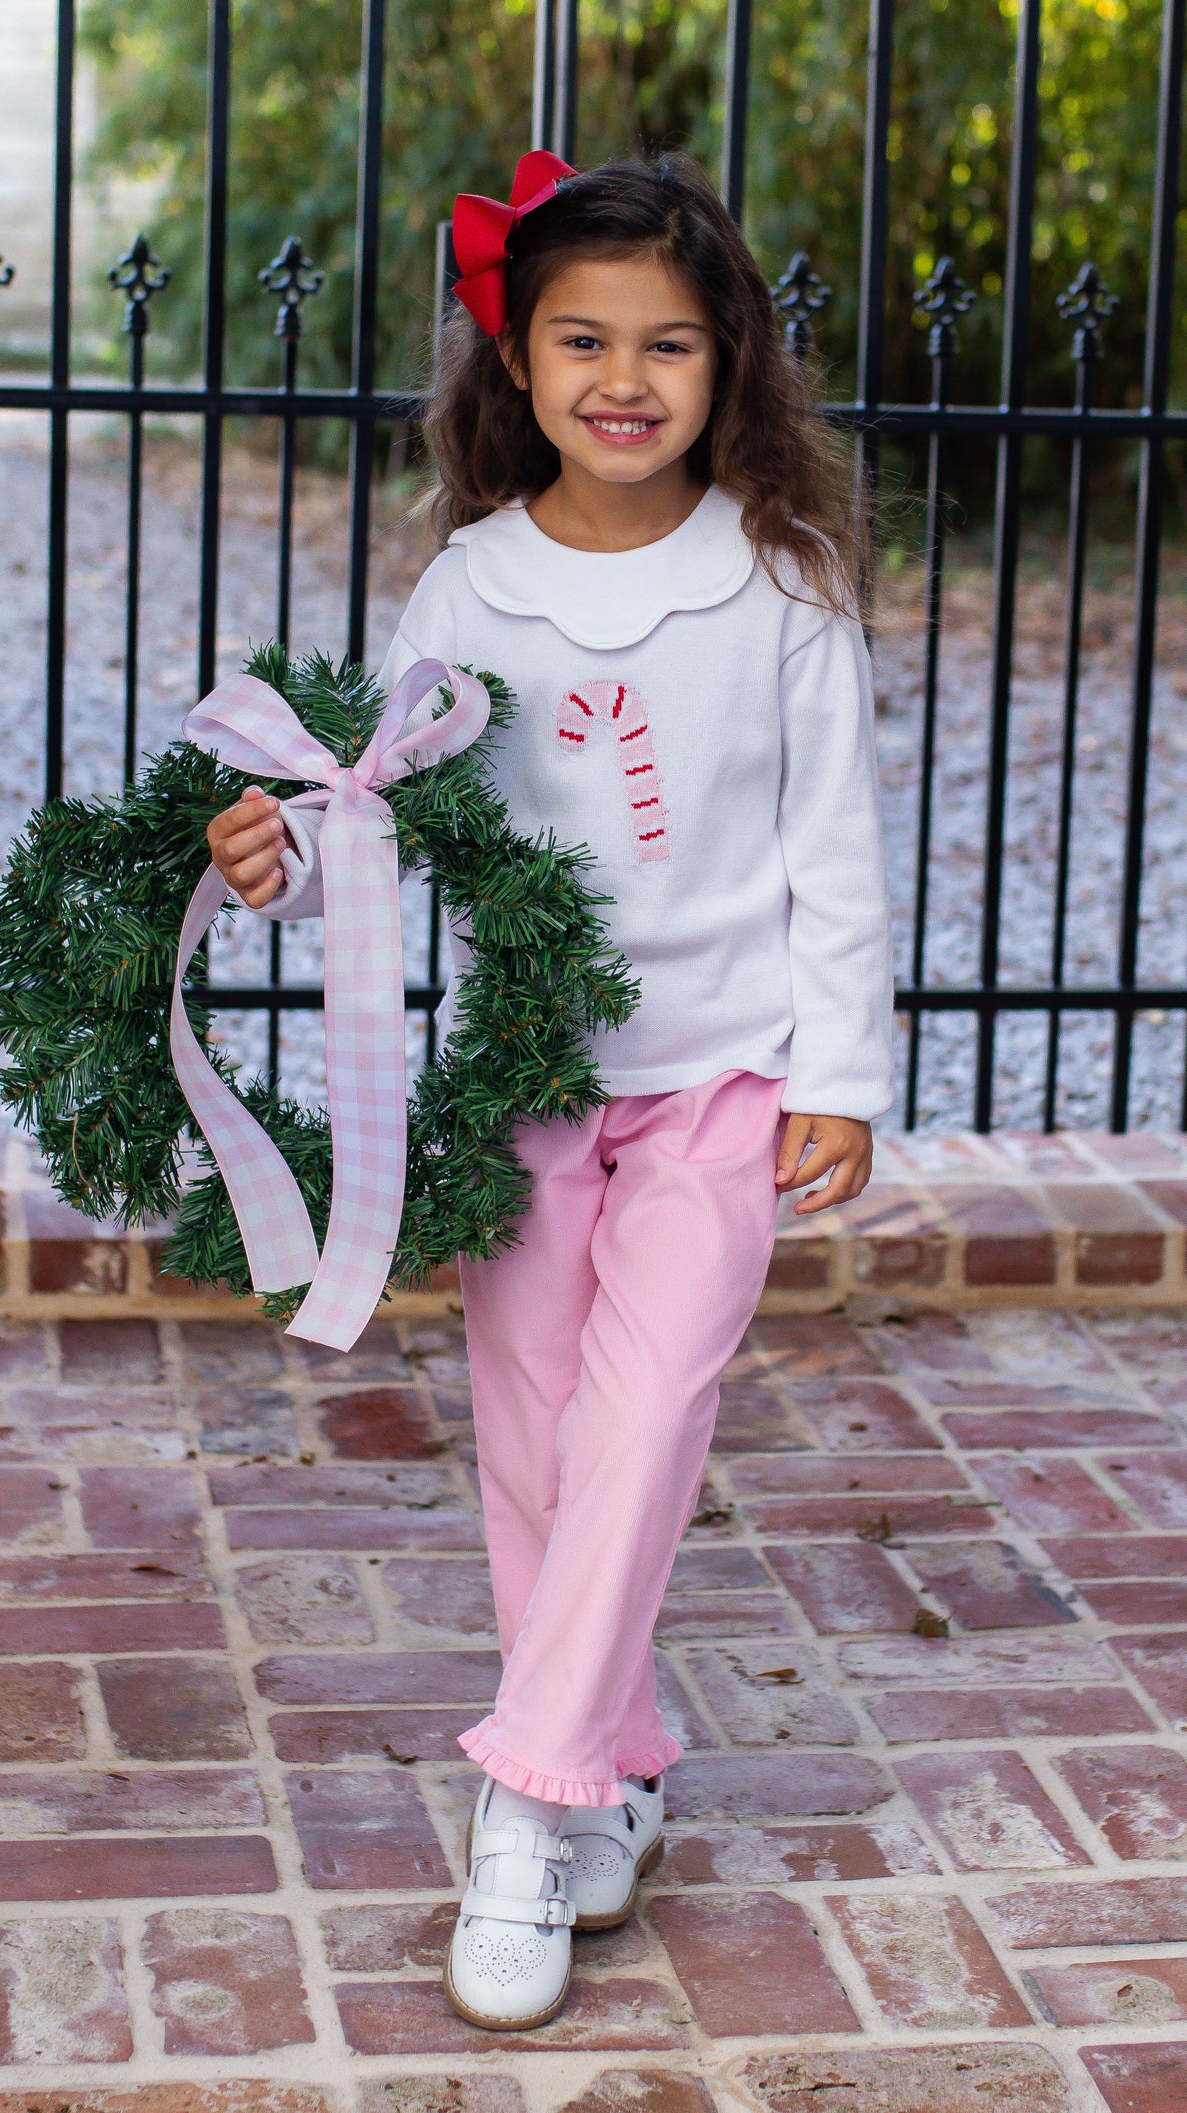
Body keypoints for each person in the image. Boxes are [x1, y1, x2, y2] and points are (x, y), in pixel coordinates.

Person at [205, 150, 893, 2031]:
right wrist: (274, 846)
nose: (623, 377)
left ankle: (525, 1805)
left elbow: (834, 841)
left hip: (722, 1082)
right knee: (532, 1439)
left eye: (668, 344)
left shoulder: (779, 577)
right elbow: (388, 802)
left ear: (725, 363)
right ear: (514, 360)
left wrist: (837, 1068)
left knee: (652, 1405)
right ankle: (620, 1764)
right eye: (581, 337)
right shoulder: (474, 586)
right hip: (524, 1079)